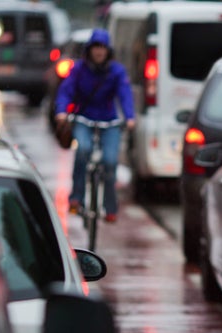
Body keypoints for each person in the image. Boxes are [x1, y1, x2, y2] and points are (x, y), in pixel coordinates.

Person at [54, 28, 135, 224]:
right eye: (95, 47)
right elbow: (66, 90)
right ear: (89, 50)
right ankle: (76, 198)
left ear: (108, 51)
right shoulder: (79, 69)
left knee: (109, 161)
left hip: (110, 121)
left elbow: (125, 94)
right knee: (83, 150)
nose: (99, 52)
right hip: (84, 119)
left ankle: (110, 208)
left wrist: (130, 116)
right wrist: (61, 111)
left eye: (103, 48)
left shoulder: (116, 71)